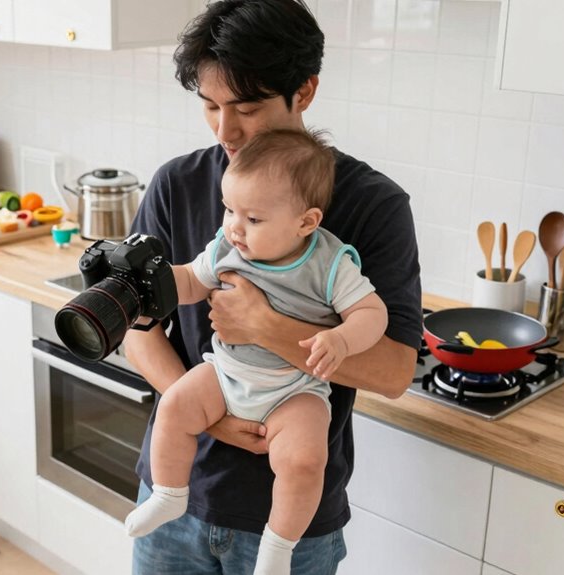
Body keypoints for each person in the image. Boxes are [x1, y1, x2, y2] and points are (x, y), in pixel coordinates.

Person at [123, 1, 423, 573]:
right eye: (210, 106)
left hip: (293, 522)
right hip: (175, 497)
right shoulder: (176, 184)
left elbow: (393, 373)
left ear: (305, 90)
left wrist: (265, 324)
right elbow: (140, 331)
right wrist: (208, 415)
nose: (225, 129)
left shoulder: (373, 205)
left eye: (248, 107)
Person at [124, 128, 388, 575]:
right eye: (229, 210)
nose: (234, 226)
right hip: (226, 375)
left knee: (305, 461)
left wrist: (341, 339)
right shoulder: (228, 245)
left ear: (305, 223)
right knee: (175, 406)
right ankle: (169, 495)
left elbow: (372, 313)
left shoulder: (329, 262)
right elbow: (190, 280)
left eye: (253, 218)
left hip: (294, 391)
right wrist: (155, 280)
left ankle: (278, 547)